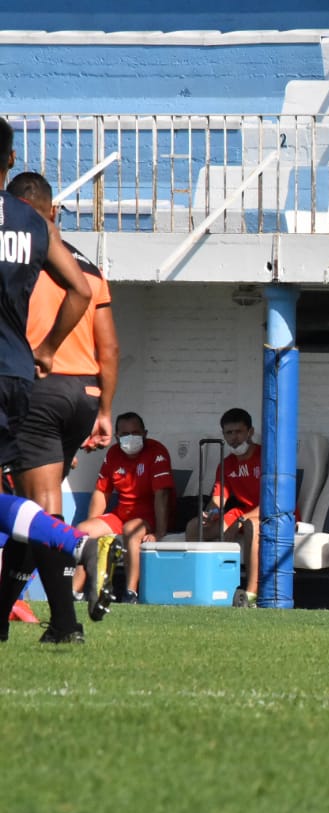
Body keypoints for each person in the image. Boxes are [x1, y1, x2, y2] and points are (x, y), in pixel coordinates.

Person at [0, 117, 113, 643]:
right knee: (29, 501)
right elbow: (97, 319)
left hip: (41, 389)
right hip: (55, 383)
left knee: (39, 501)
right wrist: (105, 406)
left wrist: (44, 349)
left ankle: (73, 575)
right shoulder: (40, 230)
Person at [74, 412, 174, 604]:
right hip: (121, 515)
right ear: (117, 436)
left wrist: (160, 532)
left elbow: (162, 495)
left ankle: (131, 593)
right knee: (83, 530)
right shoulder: (113, 453)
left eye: (135, 433)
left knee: (131, 530)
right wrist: (93, 522)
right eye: (125, 434)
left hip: (149, 517)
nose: (131, 438)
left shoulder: (157, 452)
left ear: (145, 433)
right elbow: (101, 491)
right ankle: (76, 592)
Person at [185, 407, 260, 607]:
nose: (234, 438)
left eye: (239, 432)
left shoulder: (266, 457)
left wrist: (240, 521)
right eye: (229, 433)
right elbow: (218, 500)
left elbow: (273, 502)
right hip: (242, 512)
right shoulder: (226, 464)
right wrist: (210, 513)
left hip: (270, 513)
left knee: (252, 526)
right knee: (195, 527)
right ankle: (200, 585)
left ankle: (251, 594)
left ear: (250, 432)